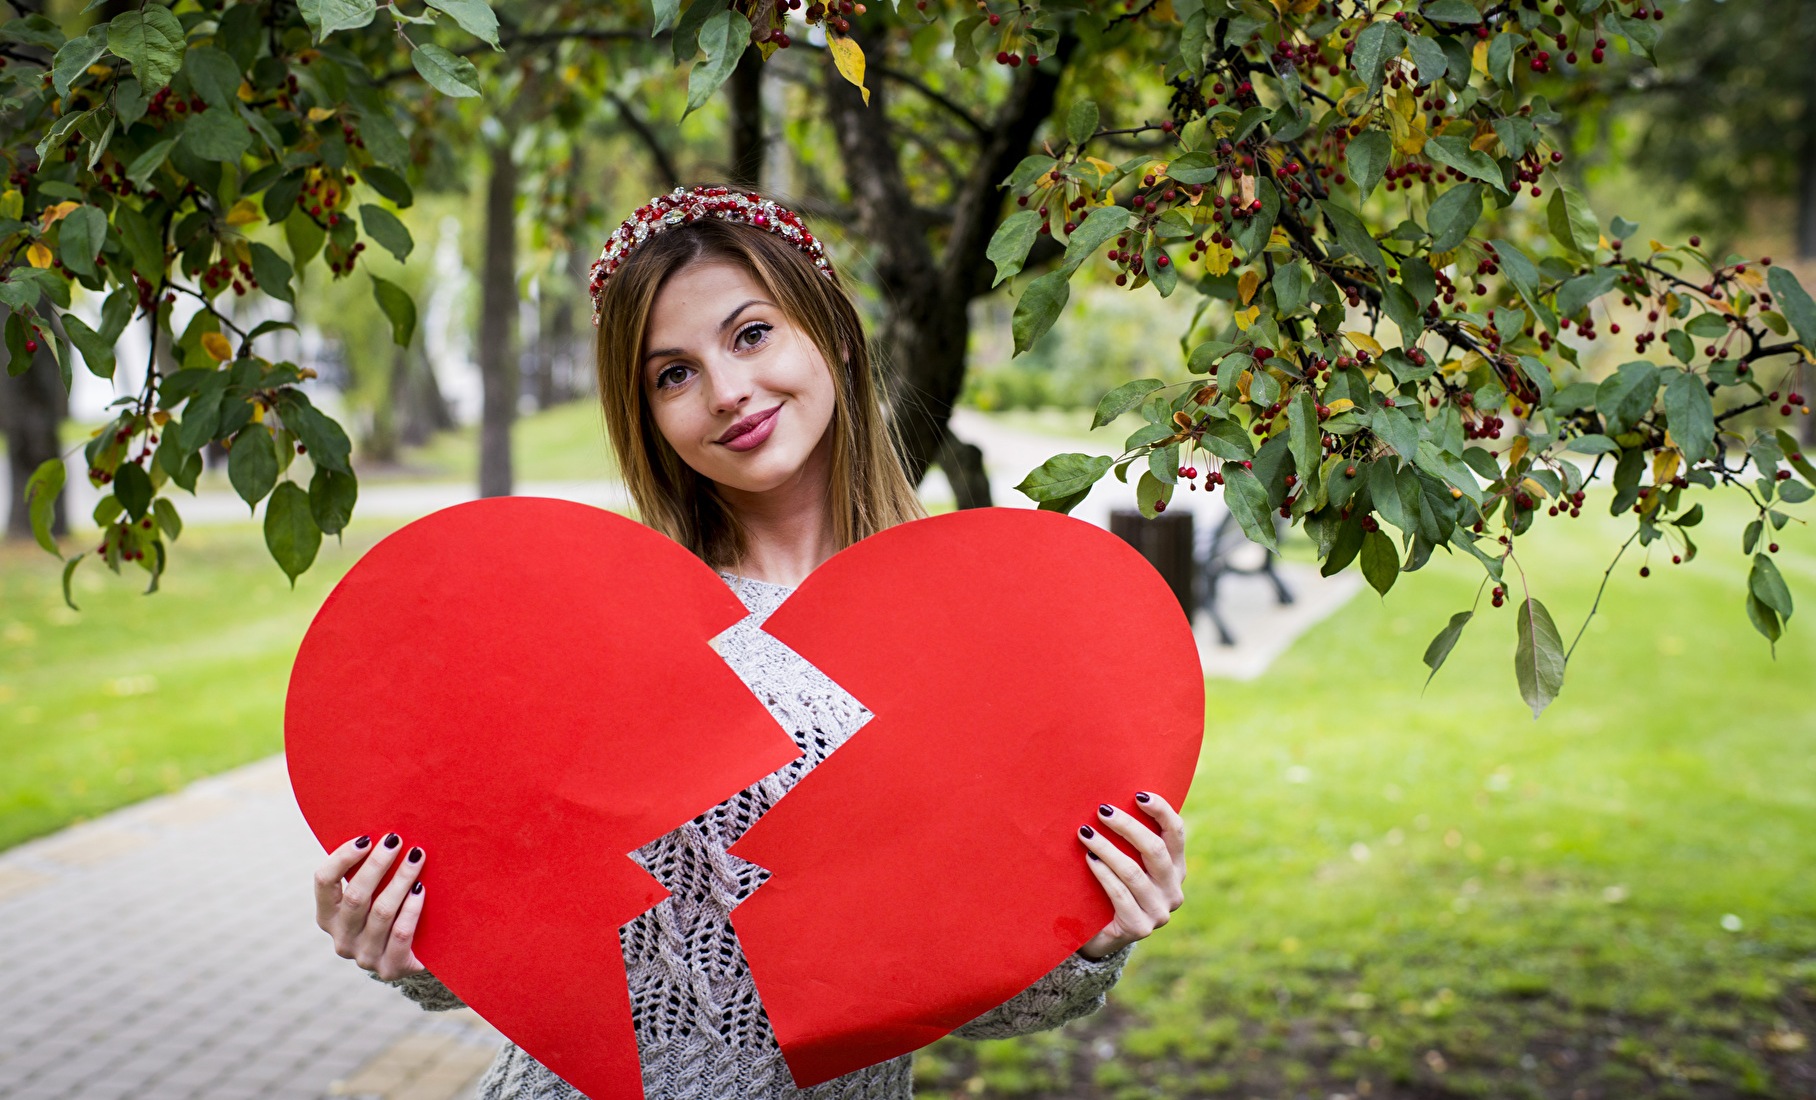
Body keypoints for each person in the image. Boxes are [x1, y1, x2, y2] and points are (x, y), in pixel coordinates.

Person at [310, 186, 1190, 1100]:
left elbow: (976, 994)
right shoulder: (604, 629)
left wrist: (1091, 932)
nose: (728, 391)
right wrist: (407, 940)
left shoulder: (966, 631)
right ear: (647, 414)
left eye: (751, 333)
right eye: (673, 374)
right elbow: (531, 936)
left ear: (833, 334)